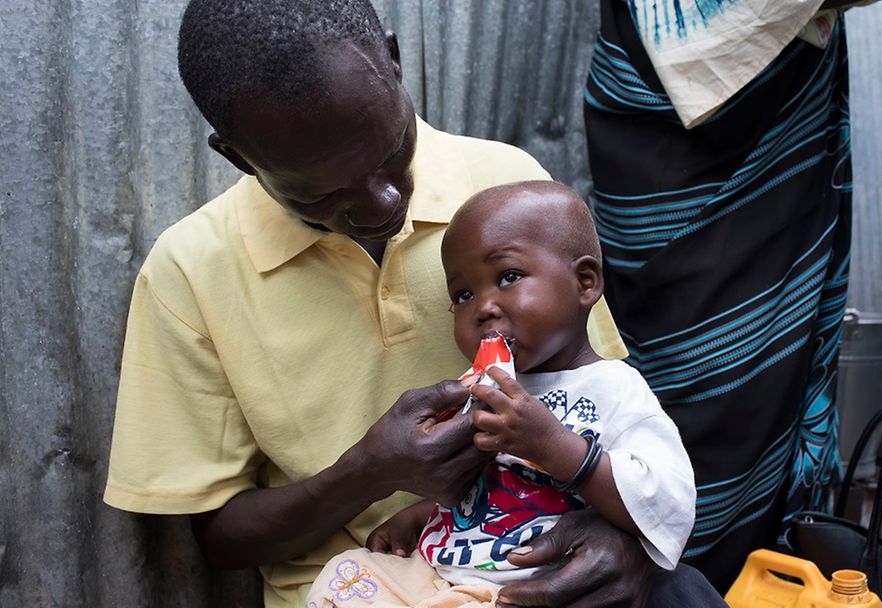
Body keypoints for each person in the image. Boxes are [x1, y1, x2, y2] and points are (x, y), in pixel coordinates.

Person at [103, 1, 726, 607]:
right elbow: (220, 541)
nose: (382, 205)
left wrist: (627, 544)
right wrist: (370, 472)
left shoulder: (507, 192)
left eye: (391, 151)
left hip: (538, 563)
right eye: (320, 195)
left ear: (394, 62)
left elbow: (604, 410)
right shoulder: (188, 274)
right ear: (238, 157)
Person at [583, 0, 870, 592]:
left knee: (772, 356)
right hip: (651, 101)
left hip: (777, 92)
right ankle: (672, 573)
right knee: (668, 362)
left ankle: (767, 581)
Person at [304, 181, 696, 607]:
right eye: (463, 294)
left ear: (585, 283)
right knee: (345, 576)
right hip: (440, 574)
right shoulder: (481, 385)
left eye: (508, 277)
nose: (483, 307)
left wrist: (552, 446)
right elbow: (484, 490)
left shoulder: (615, 389)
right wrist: (418, 517)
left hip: (525, 587)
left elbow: (668, 505)